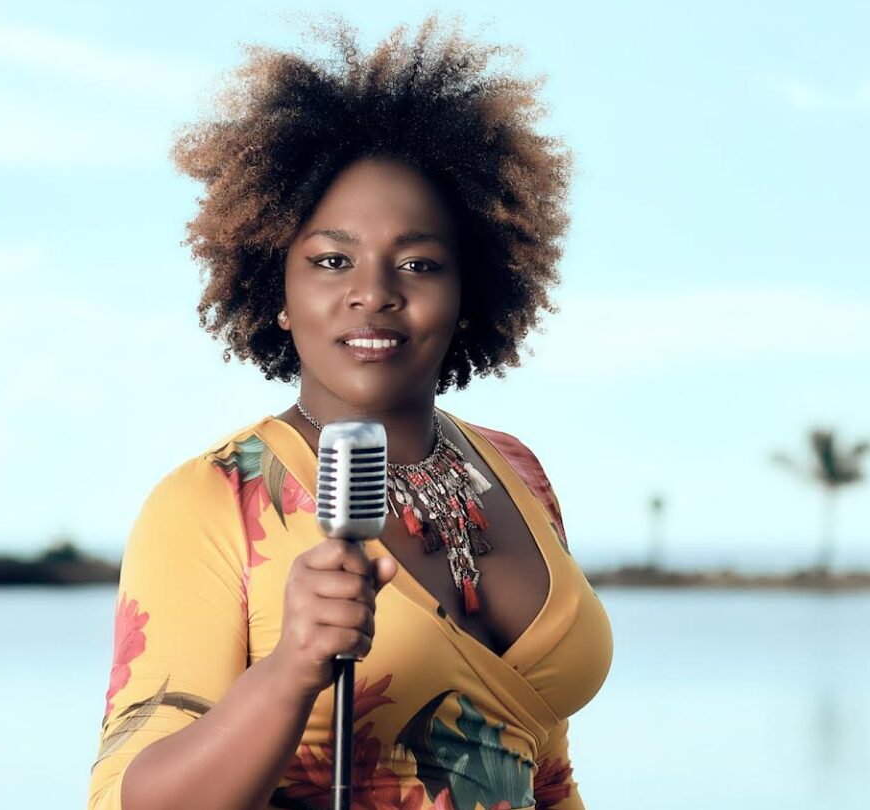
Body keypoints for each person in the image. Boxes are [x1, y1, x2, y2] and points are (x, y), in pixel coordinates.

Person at [86, 13, 614, 810]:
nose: (374, 292)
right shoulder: (211, 504)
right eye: (332, 261)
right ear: (278, 293)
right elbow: (135, 800)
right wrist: (293, 667)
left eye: (418, 262)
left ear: (469, 292)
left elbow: (548, 773)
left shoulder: (517, 471)